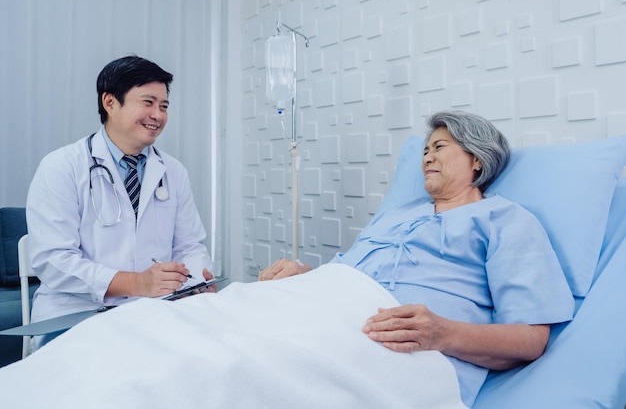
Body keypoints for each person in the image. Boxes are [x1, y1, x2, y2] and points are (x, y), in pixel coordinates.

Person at [260, 110, 575, 407]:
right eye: (425, 150)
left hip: (394, 349)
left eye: (439, 146)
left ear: (477, 159)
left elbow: (532, 338)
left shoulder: (505, 220)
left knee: (259, 368)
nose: (427, 157)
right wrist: (304, 275)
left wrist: (442, 332)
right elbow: (346, 274)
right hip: (319, 314)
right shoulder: (398, 212)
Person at [26, 55, 215, 347]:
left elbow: (190, 246)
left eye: (164, 106)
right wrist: (136, 282)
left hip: (153, 311)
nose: (158, 115)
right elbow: (54, 261)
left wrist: (196, 281)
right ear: (110, 102)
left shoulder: (173, 171)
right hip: (76, 314)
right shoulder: (61, 166)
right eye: (148, 102)